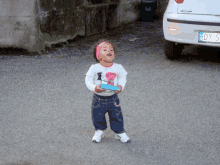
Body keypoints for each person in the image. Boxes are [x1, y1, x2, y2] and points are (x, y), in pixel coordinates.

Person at [85, 39, 130, 143]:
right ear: (98, 56)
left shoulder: (118, 67)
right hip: (98, 97)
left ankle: (120, 132)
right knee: (97, 115)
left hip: (112, 97)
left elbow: (123, 77)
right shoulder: (94, 68)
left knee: (117, 115)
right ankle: (99, 131)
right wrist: (94, 88)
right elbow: (88, 80)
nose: (109, 51)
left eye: (111, 50)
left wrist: (120, 86)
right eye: (104, 50)